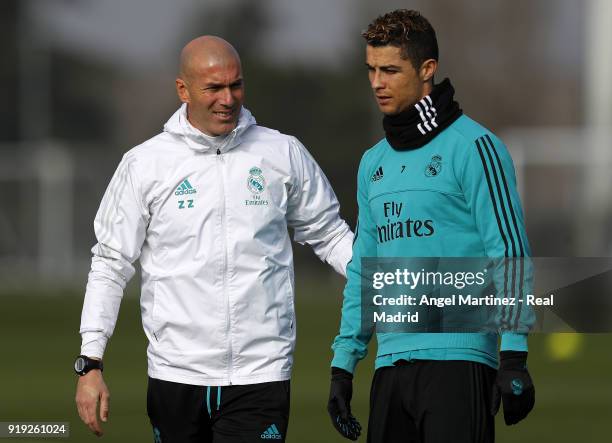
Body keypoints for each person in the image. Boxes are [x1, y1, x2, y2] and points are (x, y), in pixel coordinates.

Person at [74, 35, 354, 443]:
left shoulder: (282, 153)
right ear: (183, 90)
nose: (228, 98)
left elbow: (330, 234)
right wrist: (91, 361)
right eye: (214, 88)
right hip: (175, 375)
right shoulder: (145, 164)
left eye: (235, 85)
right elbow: (110, 264)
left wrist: (388, 288)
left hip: (261, 373)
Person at [327, 9, 535, 443]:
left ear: (427, 69)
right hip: (391, 367)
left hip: (459, 363)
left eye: (389, 70)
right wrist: (344, 363)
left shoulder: (476, 147)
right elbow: (366, 269)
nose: (376, 83)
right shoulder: (373, 163)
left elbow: (509, 252)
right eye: (371, 70)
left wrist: (513, 355)